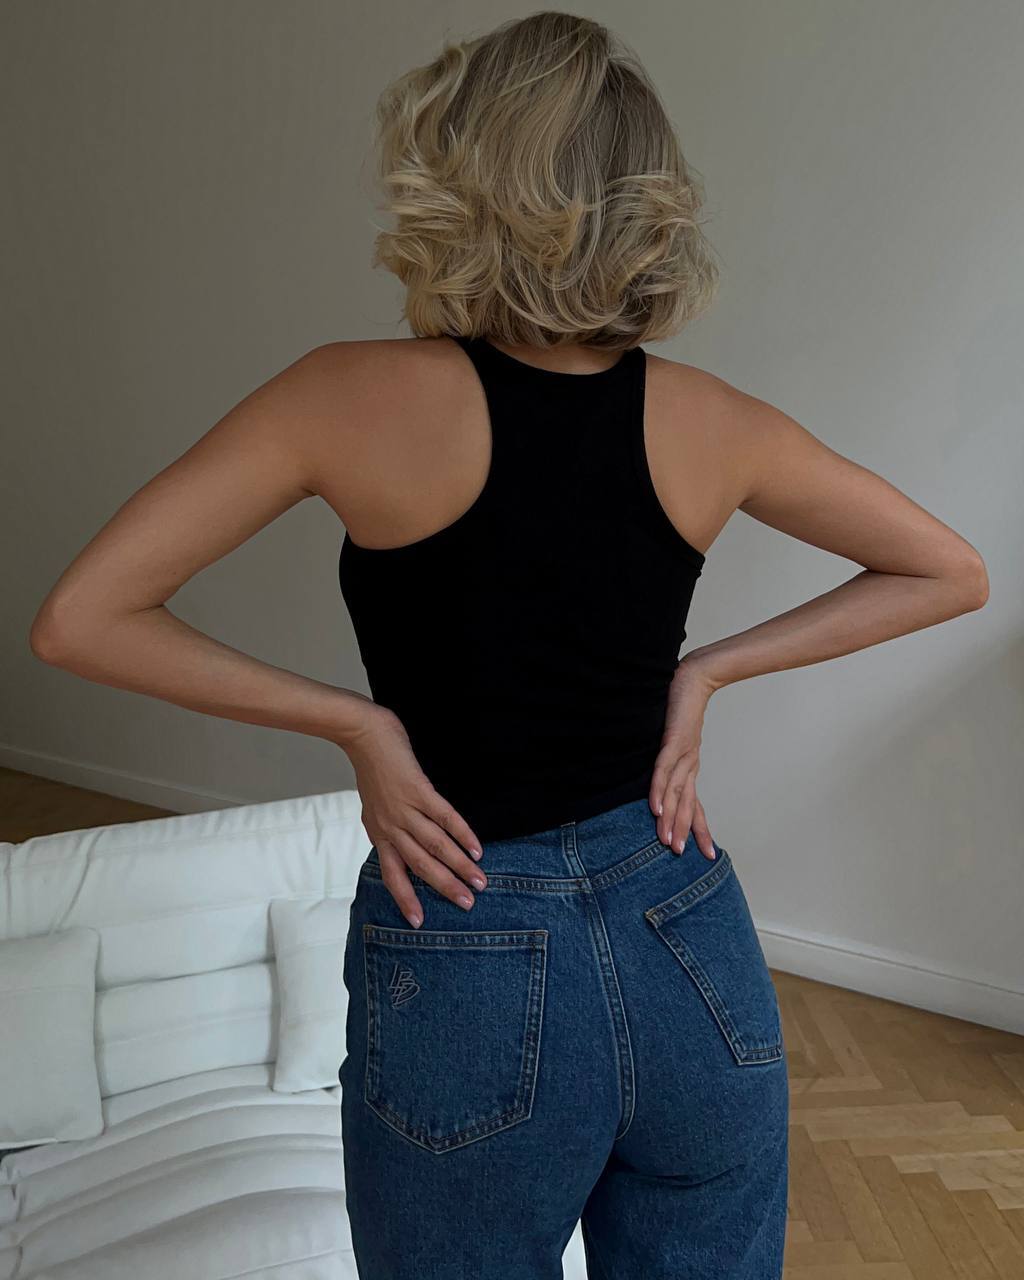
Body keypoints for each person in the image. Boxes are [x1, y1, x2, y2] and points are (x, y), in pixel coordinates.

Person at [29, 11, 988, 1279]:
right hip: (685, 923)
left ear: (459, 182)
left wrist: (358, 723)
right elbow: (950, 569)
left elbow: (80, 618)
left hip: (466, 926)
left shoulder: (341, 395)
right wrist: (707, 671)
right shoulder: (713, 418)